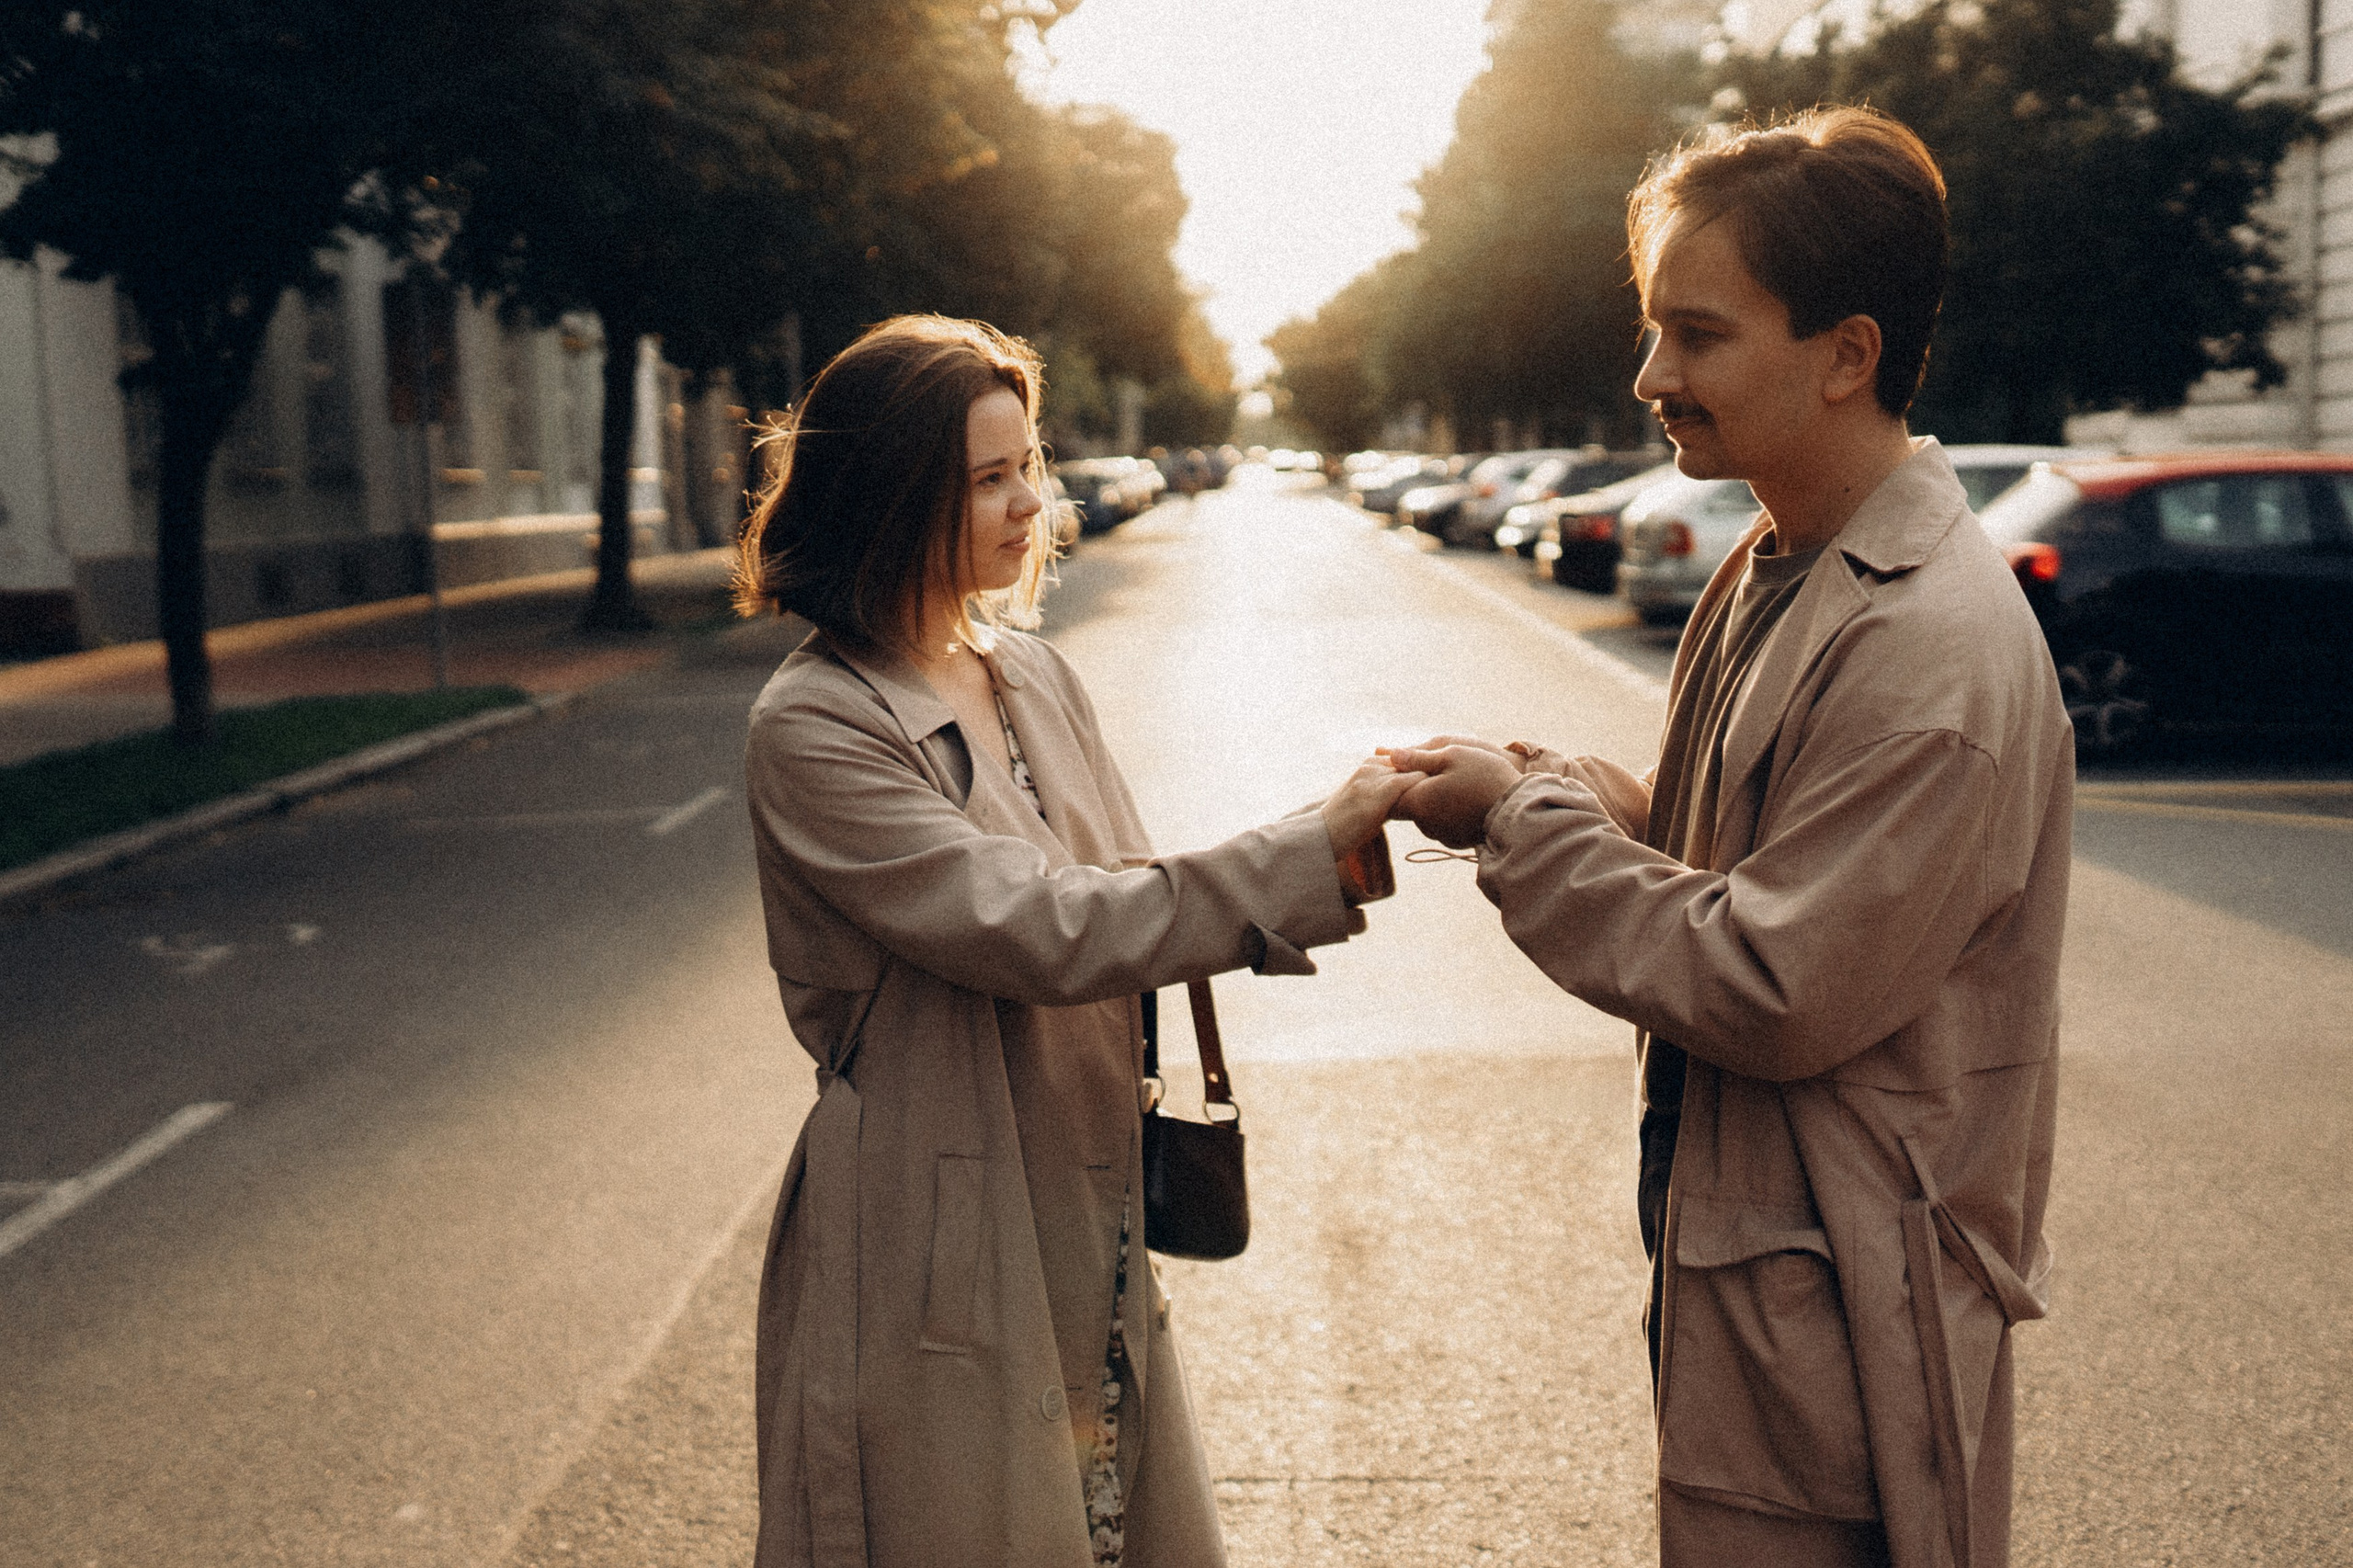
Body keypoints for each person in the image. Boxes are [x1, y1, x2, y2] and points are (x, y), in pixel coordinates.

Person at [1386, 108, 2069, 1568]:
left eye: (1696, 336)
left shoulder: (1928, 642)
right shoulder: (1782, 552)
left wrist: (1524, 822)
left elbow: (1775, 974)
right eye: (1653, 332)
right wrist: (1553, 778)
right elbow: (1732, 845)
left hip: (1847, 1317)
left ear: (1847, 353)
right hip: (1776, 1282)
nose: (1653, 379)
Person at [736, 314, 1416, 1568]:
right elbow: (1041, 928)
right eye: (986, 479)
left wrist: (1328, 840)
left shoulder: (1029, 673)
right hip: (934, 1224)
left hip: (1081, 1200)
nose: (1029, 503)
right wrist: (1309, 848)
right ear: (891, 497)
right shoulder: (817, 724)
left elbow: (1131, 900)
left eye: (1027, 464)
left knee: (1105, 1525)